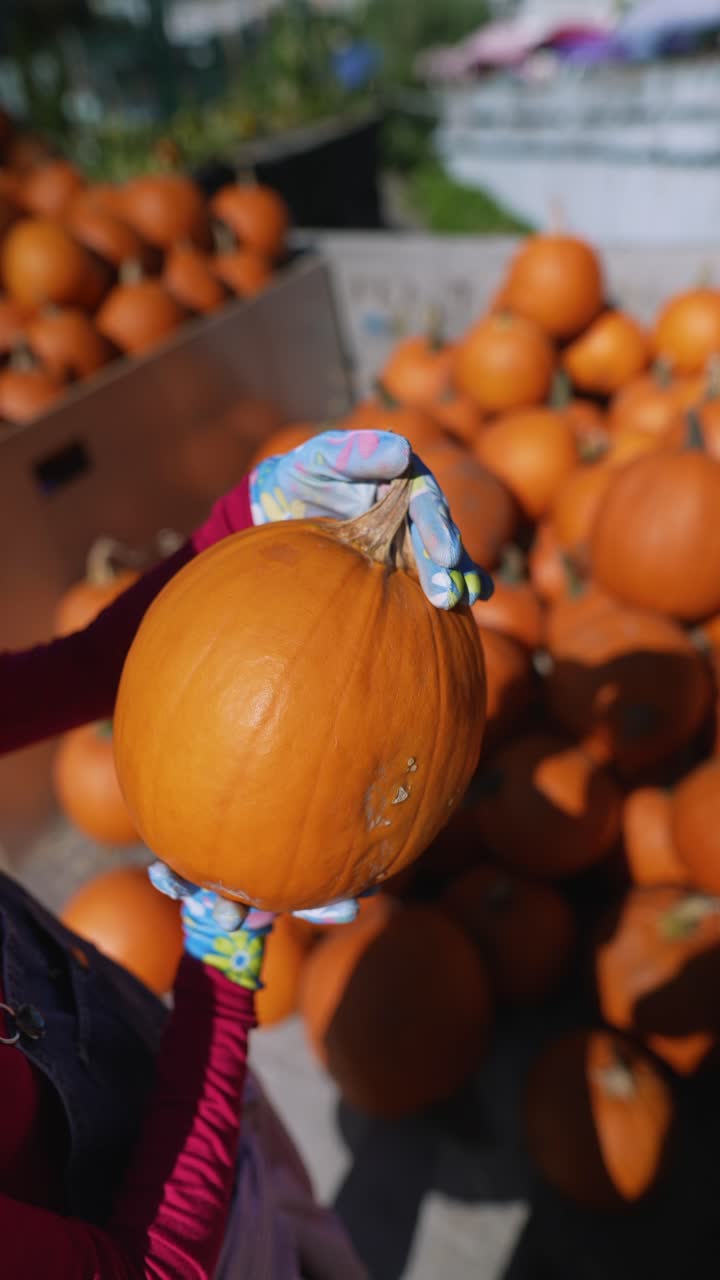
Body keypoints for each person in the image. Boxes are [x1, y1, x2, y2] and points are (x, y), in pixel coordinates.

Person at [0, 428, 490, 1278]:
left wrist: (255, 524)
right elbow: (147, 1267)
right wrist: (222, 973)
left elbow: (77, 671)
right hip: (188, 1221)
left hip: (139, 1049)